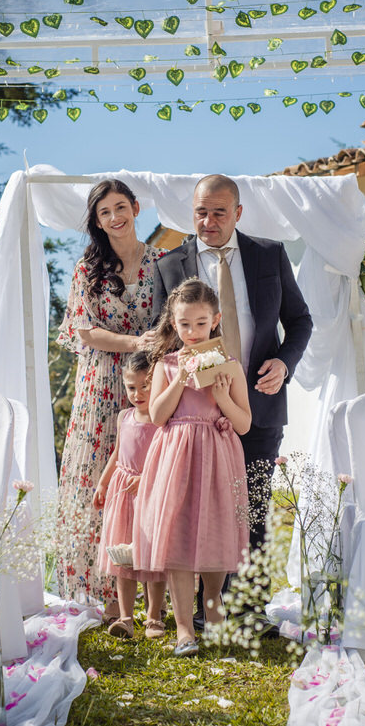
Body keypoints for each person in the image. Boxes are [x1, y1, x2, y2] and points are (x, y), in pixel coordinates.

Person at [154, 174, 313, 626]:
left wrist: (284, 364)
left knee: (253, 508)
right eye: (201, 212)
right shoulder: (169, 266)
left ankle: (250, 607)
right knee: (201, 510)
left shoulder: (269, 253)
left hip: (257, 408)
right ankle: (209, 610)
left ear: (238, 213)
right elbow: (163, 339)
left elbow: (299, 321)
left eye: (219, 212)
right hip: (195, 420)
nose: (208, 221)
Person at [55, 180, 163, 609]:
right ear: (97, 221)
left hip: (149, 383)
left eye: (121, 207)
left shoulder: (162, 262)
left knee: (146, 478)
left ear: (136, 208)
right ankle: (103, 589)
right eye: (105, 212)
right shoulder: (88, 270)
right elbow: (84, 330)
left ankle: (153, 589)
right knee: (96, 480)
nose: (115, 217)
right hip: (100, 384)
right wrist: (136, 343)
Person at [135, 279, 250, 657]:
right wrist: (182, 379)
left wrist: (219, 395)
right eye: (185, 325)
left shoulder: (230, 366)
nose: (193, 332)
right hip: (177, 456)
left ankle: (213, 614)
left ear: (215, 320)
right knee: (180, 536)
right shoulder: (168, 365)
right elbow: (156, 415)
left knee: (216, 530)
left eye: (201, 323)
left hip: (217, 456)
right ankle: (184, 629)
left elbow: (244, 422)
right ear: (173, 322)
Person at [93, 351, 168, 640]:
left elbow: (165, 458)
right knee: (123, 557)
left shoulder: (162, 419)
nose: (138, 394)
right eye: (131, 387)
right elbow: (117, 453)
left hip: (151, 495)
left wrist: (147, 479)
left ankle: (153, 617)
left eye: (145, 386)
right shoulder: (124, 417)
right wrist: (102, 482)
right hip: (123, 494)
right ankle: (125, 618)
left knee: (153, 557)